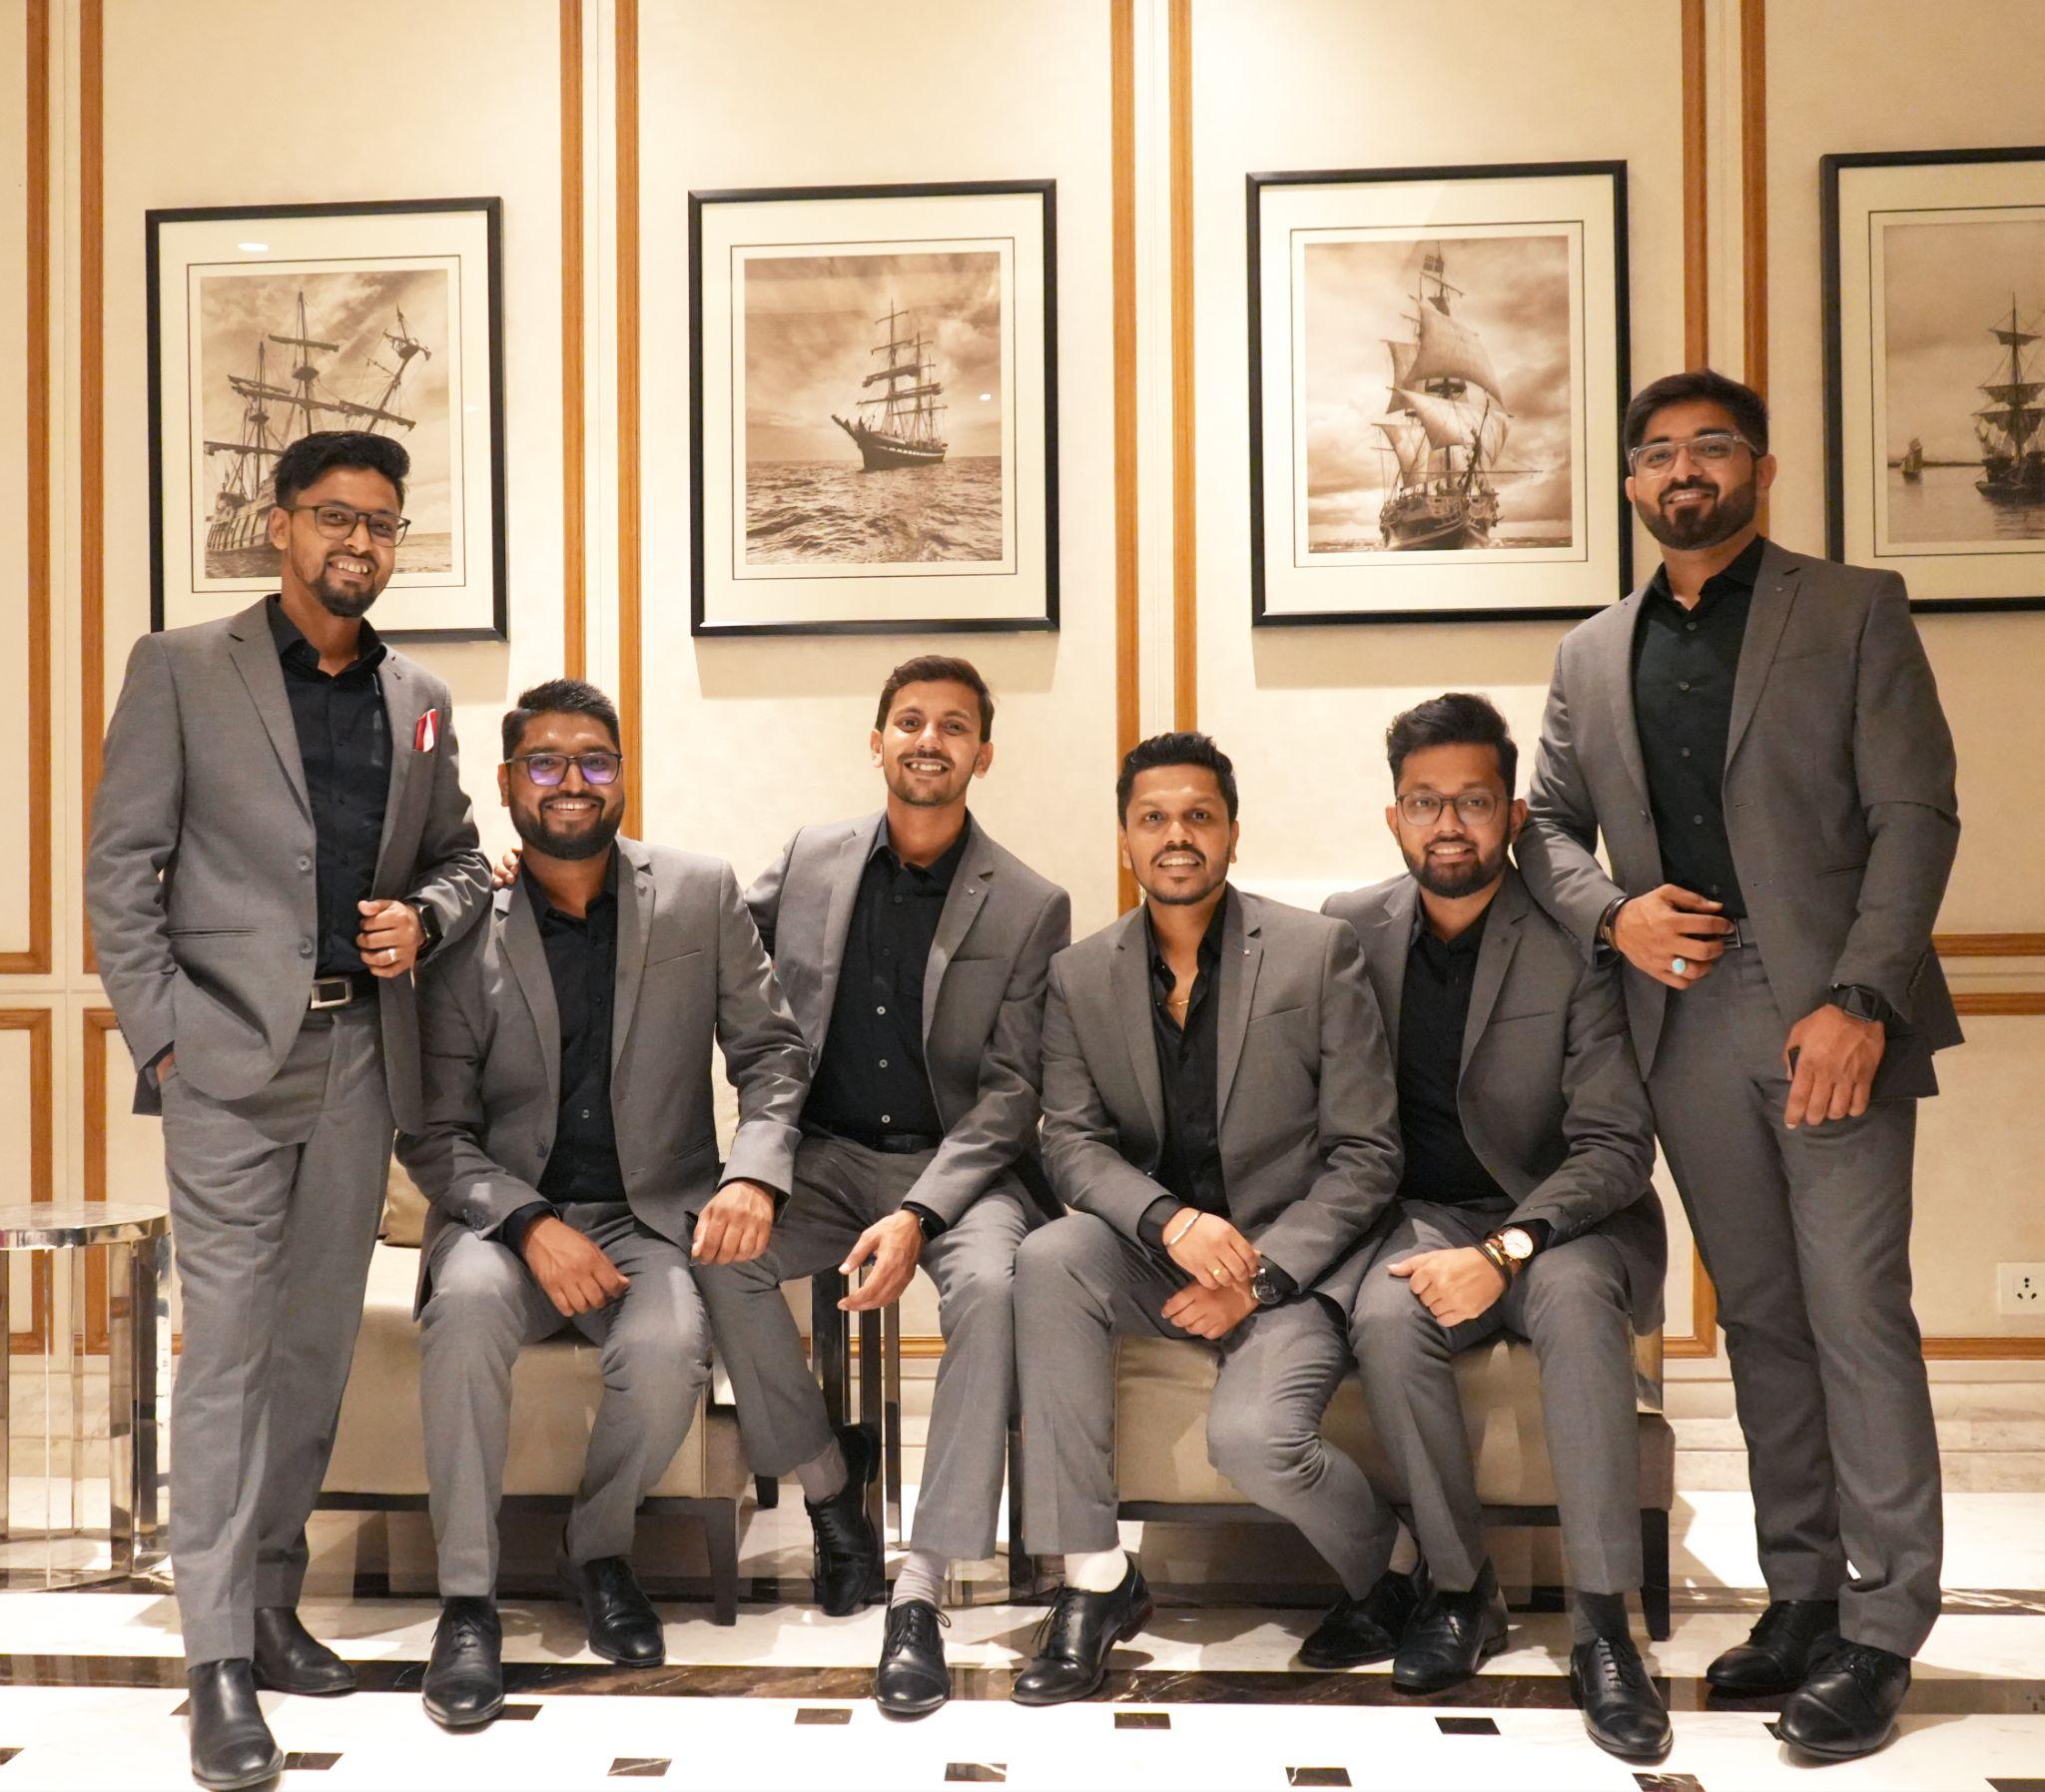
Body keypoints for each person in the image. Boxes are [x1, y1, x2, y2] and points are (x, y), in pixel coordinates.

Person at [1518, 367, 1960, 1762]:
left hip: (1827, 1004)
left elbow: (1915, 813)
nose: (1682, 470)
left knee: (1854, 1309)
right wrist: (1615, 916)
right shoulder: (1591, 652)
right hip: (1678, 1008)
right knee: (1762, 1315)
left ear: (1761, 469)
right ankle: (1803, 1591)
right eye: (1656, 453)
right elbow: (1546, 828)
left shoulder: (1853, 609)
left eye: (1711, 446)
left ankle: (1882, 1625)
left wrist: (1858, 997)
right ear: (1632, 484)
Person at [86, 430, 491, 1790]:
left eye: (381, 523)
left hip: (363, 1057)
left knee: (311, 1350)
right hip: (226, 1066)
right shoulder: (181, 668)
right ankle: (214, 1657)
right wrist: (168, 1042)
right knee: (228, 1354)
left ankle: (269, 1599)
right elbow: (122, 870)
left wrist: (424, 917)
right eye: (334, 517)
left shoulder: (418, 696)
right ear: (281, 524)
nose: (358, 544)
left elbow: (460, 858)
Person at [396, 680, 809, 1728]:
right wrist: (531, 1225)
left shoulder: (698, 893)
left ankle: (598, 1548)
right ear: (507, 784)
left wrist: (753, 1171)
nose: (570, 782)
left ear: (622, 775)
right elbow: (435, 1131)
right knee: (468, 1308)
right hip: (504, 1219)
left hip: (649, 1215)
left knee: (670, 1343)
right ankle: (466, 1602)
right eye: (544, 762)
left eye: (594, 760)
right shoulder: (463, 928)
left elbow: (771, 1053)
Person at [693, 656, 1070, 1717]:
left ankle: (922, 1584)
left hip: (960, 1169)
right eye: (909, 720)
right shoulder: (810, 857)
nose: (928, 740)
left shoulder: (1030, 903)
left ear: (982, 755)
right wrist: (526, 882)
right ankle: (830, 1487)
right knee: (717, 1252)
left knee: (991, 1288)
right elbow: (705, 945)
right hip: (823, 1156)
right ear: (877, 742)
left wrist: (917, 1212)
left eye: (953, 726)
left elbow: (1011, 1097)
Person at [1009, 731, 1405, 1706]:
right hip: (1156, 1254)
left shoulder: (1316, 952)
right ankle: (1094, 1578)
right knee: (1050, 1254)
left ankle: (1398, 1568)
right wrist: (1166, 1220)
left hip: (1289, 1266)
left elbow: (1367, 1154)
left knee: (1254, 1439)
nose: (1175, 836)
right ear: (1124, 838)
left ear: (1231, 831)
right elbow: (1071, 1143)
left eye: (1197, 816)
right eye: (1153, 818)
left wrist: (1256, 1278)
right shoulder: (1080, 974)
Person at [1324, 693, 1671, 1760]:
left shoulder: (1575, 938)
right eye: (1424, 802)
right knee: (1388, 1318)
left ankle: (1604, 1625)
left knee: (1572, 1301)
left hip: (1567, 1219)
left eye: (1472, 801)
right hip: (1421, 1217)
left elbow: (1614, 1144)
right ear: (1393, 816)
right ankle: (1458, 1586)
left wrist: (1505, 1247)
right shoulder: (1348, 929)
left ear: (1513, 815)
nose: (1447, 825)